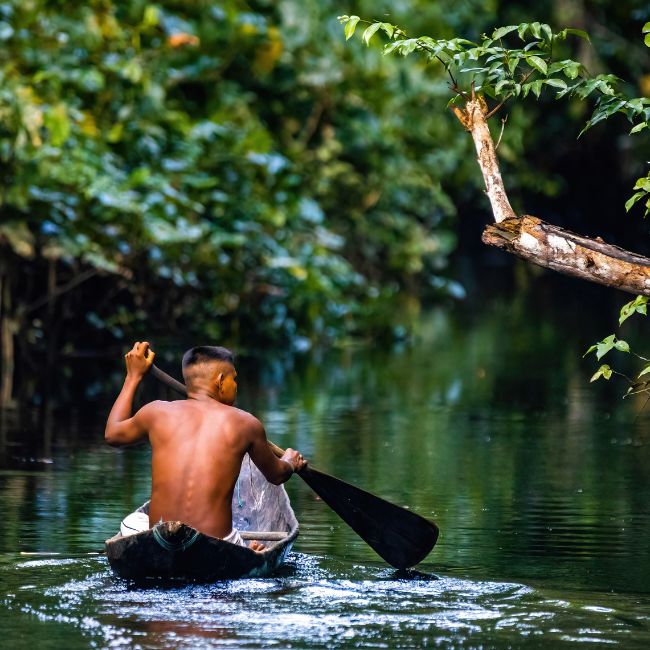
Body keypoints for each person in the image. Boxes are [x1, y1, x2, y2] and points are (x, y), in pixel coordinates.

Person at [104, 341, 306, 550]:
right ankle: (246, 550)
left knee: (133, 522)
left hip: (161, 540)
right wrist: (290, 462)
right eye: (234, 379)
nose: (236, 386)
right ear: (220, 381)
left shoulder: (156, 412)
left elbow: (112, 434)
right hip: (218, 545)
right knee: (238, 544)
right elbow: (276, 475)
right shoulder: (246, 424)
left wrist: (132, 377)